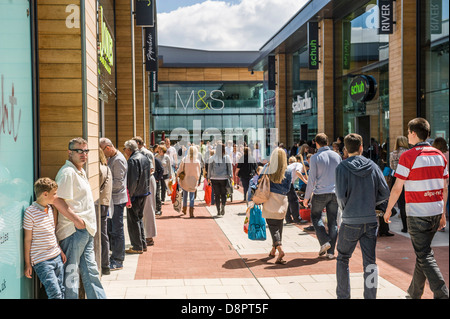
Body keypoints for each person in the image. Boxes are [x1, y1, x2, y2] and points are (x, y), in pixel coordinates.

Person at [384, 118, 449, 299]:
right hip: (435, 211)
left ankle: (442, 294)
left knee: (424, 254)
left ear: (413, 133)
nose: (407, 135)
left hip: (418, 213)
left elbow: (397, 187)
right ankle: (414, 293)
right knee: (424, 252)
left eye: (408, 131)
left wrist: (389, 209)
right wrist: (443, 213)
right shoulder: (440, 155)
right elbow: (444, 187)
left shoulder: (408, 156)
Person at [335, 133, 390, 299]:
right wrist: (372, 202)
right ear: (361, 147)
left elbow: (340, 196)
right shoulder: (372, 166)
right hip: (370, 219)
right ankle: (370, 296)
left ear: (345, 149)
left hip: (351, 219)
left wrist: (346, 208)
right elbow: (385, 192)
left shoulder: (342, 167)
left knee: (343, 258)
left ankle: (343, 296)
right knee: (370, 262)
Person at [53, 137, 106, 299]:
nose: (84, 154)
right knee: (71, 275)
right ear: (70, 152)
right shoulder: (67, 173)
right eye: (79, 151)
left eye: (86, 151)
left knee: (91, 271)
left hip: (86, 230)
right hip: (73, 231)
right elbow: (56, 199)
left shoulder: (79, 171)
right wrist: (77, 221)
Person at [24, 178, 66, 299]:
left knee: (62, 289)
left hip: (56, 256)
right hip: (42, 261)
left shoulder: (50, 209)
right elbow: (27, 240)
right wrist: (28, 264)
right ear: (45, 194)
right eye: (54, 194)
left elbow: (52, 233)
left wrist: (60, 250)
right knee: (55, 294)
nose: (56, 196)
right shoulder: (30, 212)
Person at [303, 133, 342, 258]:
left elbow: (311, 179)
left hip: (320, 193)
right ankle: (331, 252)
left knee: (315, 217)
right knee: (333, 222)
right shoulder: (337, 156)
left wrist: (306, 197)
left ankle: (325, 241)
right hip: (335, 193)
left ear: (316, 143)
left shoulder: (315, 157)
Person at [258, 148, 291, 265]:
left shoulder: (267, 168)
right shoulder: (287, 171)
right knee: (279, 224)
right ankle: (273, 250)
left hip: (270, 199)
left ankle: (280, 249)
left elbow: (258, 180)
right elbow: (288, 189)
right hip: (282, 200)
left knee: (273, 226)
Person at [99, 137, 128, 271]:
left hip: (117, 200)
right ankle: (115, 257)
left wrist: (105, 185)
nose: (103, 155)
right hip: (113, 200)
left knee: (117, 230)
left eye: (103, 151)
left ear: (108, 148)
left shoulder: (118, 160)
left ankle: (118, 260)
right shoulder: (112, 158)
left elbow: (119, 183)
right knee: (113, 229)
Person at [123, 139, 151, 254]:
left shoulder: (133, 160)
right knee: (138, 218)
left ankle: (137, 246)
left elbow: (132, 181)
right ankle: (142, 244)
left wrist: (129, 196)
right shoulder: (144, 157)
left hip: (136, 194)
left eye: (124, 149)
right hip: (144, 192)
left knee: (133, 220)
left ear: (129, 149)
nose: (124, 151)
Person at [133, 137, 157, 246]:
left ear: (138, 143)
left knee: (148, 208)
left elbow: (151, 169)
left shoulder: (145, 153)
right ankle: (145, 235)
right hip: (145, 181)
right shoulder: (142, 153)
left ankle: (149, 236)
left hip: (147, 180)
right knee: (144, 209)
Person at [389, 136, 409, 233]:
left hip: (397, 178)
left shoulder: (393, 154)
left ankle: (405, 227)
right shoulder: (409, 152)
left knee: (401, 203)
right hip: (408, 179)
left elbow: (391, 166)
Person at [207, 143, 232, 216]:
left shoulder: (212, 157)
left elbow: (209, 168)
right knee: (223, 194)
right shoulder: (226, 157)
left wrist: (208, 177)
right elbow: (229, 167)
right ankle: (223, 206)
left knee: (217, 194)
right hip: (224, 177)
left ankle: (218, 210)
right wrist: (230, 176)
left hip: (214, 177)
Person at [98, 148, 113, 275]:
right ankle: (105, 264)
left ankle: (103, 264)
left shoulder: (98, 168)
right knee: (104, 234)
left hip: (98, 203)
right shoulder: (106, 167)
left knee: (100, 235)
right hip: (106, 202)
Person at [178, 145, 202, 218]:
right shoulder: (197, 161)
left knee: (185, 195)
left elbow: (180, 169)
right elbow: (199, 171)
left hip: (185, 179)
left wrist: (177, 175)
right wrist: (198, 179)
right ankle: (191, 212)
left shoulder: (185, 159)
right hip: (193, 180)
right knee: (192, 196)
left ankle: (184, 209)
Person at [432, 137, 449, 228]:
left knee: (442, 202)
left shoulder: (435, 156)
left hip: (441, 183)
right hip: (446, 182)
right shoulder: (447, 154)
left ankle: (442, 220)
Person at [286, 156, 307, 224]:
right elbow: (298, 172)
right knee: (294, 201)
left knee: (289, 200)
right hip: (287, 182)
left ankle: (288, 218)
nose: (304, 172)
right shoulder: (300, 165)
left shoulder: (292, 166)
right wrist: (305, 181)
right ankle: (297, 219)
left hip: (285, 182)